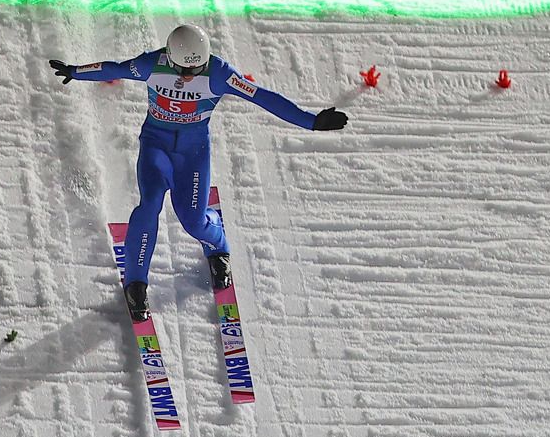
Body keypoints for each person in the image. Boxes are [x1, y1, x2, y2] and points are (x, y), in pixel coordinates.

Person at [50, 24, 347, 322]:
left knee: (192, 221)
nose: (191, 75)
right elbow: (115, 68)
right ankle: (136, 282)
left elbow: (262, 97)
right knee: (149, 204)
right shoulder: (152, 64)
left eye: (197, 68)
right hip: (156, 147)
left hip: (192, 156)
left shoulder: (218, 73)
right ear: (170, 58)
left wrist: (311, 121)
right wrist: (75, 72)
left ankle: (218, 245)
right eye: (184, 70)